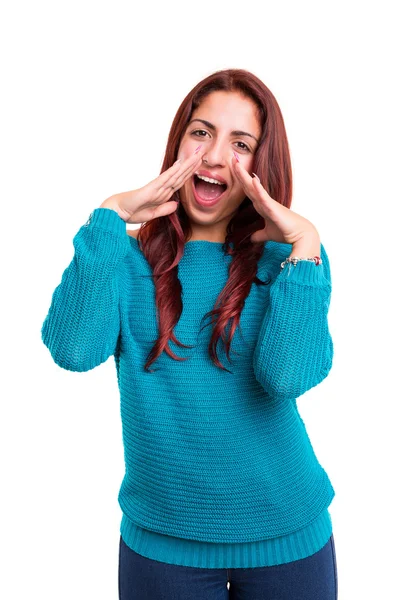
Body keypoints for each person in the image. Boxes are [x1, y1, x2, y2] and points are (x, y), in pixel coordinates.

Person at [41, 68, 338, 599]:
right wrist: (108, 216)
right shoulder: (123, 259)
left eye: (240, 143)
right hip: (162, 549)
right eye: (202, 132)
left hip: (288, 540)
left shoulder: (294, 261)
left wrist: (307, 244)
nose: (216, 155)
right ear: (179, 142)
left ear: (261, 166)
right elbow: (73, 348)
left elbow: (287, 374)